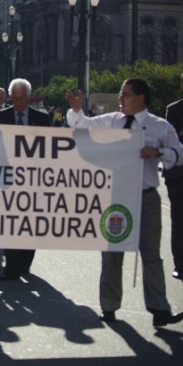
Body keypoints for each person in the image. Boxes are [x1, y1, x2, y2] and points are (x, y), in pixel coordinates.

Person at [65, 79, 183, 327]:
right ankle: (108, 306)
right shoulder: (112, 121)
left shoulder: (160, 127)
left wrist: (158, 153)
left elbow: (178, 154)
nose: (120, 99)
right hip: (116, 198)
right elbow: (83, 126)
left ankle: (159, 309)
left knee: (151, 255)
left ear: (140, 98)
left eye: (125, 94)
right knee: (111, 253)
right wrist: (76, 110)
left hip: (147, 197)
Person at [0, 78, 50, 281]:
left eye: (22, 98)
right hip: (8, 178)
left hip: (34, 179)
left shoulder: (42, 119)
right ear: (10, 98)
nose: (18, 103)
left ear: (29, 97)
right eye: (15, 99)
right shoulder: (0, 117)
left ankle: (25, 262)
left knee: (30, 223)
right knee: (9, 223)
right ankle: (11, 265)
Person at [164, 73, 183, 281]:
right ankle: (180, 263)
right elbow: (173, 137)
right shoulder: (174, 109)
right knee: (178, 220)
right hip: (178, 175)